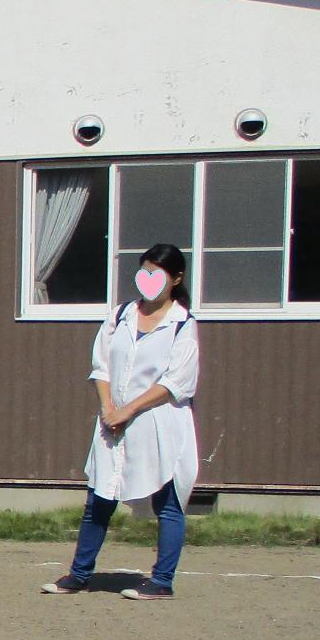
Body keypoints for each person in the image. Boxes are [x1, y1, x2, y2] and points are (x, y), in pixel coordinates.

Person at [42, 242, 201, 601]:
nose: (151, 281)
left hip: (157, 424)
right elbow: (101, 365)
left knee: (167, 500)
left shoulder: (182, 325)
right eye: (145, 271)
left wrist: (129, 410)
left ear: (175, 279)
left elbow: (177, 382)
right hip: (113, 422)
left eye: (158, 274)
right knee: (100, 497)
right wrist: (108, 407)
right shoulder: (121, 315)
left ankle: (162, 580)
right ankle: (80, 573)